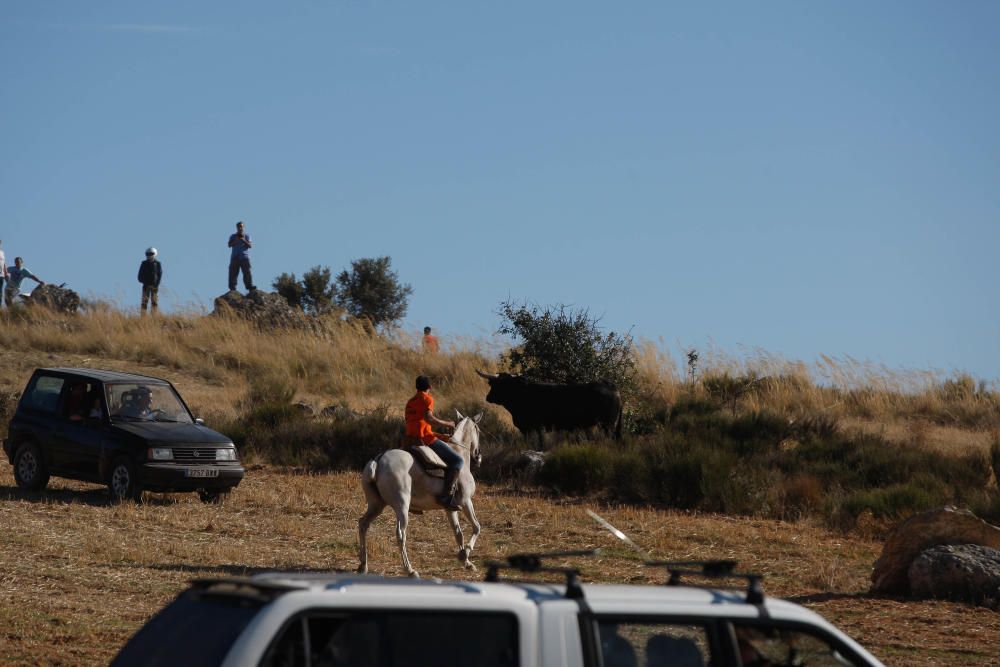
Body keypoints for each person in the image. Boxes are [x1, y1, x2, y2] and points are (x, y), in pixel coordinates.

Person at [404, 375, 462, 509]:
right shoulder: (427, 398)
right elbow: (429, 419)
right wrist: (448, 423)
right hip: (424, 440)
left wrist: (441, 436)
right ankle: (446, 497)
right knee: (458, 461)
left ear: (416, 387)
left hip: (409, 439)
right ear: (430, 387)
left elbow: (420, 425)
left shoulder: (410, 402)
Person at [227, 220, 255, 292]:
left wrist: (243, 240)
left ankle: (249, 286)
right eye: (239, 227)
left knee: (247, 272)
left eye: (241, 227)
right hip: (235, 256)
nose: (240, 228)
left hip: (244, 256)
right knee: (233, 272)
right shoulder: (233, 236)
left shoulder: (247, 236)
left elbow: (250, 246)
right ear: (236, 228)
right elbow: (229, 245)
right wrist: (236, 240)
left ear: (244, 227)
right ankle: (232, 288)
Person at [137, 247, 163, 314]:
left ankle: (154, 317)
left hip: (154, 286)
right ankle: (143, 317)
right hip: (146, 286)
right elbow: (139, 275)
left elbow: (160, 274)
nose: (149, 255)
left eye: (151, 254)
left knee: (154, 302)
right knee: (144, 302)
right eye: (148, 254)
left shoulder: (157, 264)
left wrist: (157, 284)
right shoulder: (144, 263)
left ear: (155, 254)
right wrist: (144, 282)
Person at [0, 240, 7, 308]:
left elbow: (4, 263)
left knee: (0, 292)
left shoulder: (2, 252)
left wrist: (6, 273)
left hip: (1, 275)